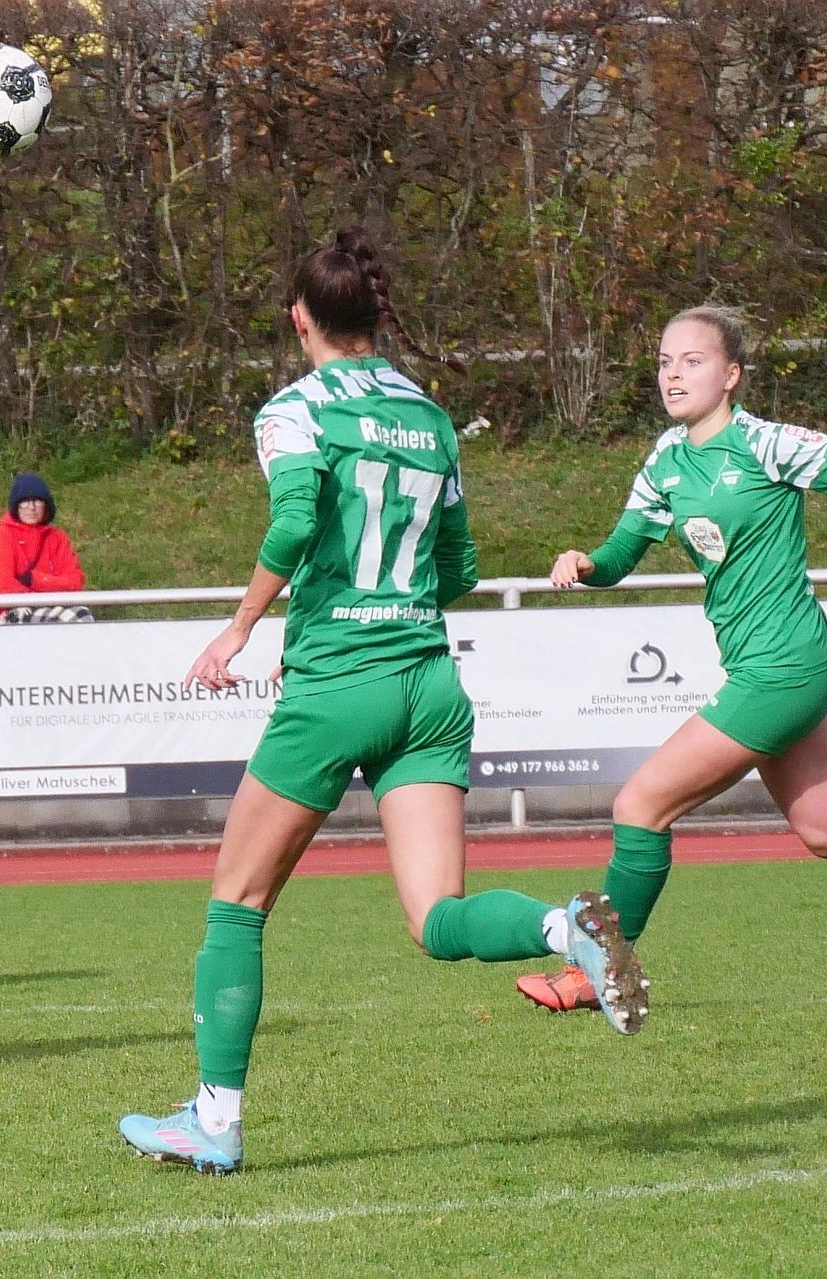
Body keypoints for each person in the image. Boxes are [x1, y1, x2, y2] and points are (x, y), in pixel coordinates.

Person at [117, 228, 644, 1176]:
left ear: (300, 319)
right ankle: (561, 926)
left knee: (237, 903)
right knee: (437, 917)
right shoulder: (431, 417)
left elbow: (294, 520)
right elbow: (460, 567)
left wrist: (240, 628)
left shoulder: (294, 410)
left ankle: (215, 1120)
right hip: (430, 685)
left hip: (338, 685)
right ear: (377, 315)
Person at [516, 305, 827, 1014]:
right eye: (665, 362)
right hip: (769, 667)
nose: (674, 374)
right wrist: (587, 562)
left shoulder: (764, 443)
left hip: (784, 667)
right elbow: (623, 554)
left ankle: (598, 973)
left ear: (731, 375)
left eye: (693, 361)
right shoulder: (666, 459)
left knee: (639, 804)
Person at [0, 472, 90, 623]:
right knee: (63, 620)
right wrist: (44, 593)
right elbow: (2, 585)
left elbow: (75, 582)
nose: (31, 508)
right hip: (14, 608)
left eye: (37, 501)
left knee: (81, 615)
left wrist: (35, 580)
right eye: (24, 502)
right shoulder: (1, 536)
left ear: (46, 505)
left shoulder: (58, 538)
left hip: (55, 605)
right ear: (16, 506)